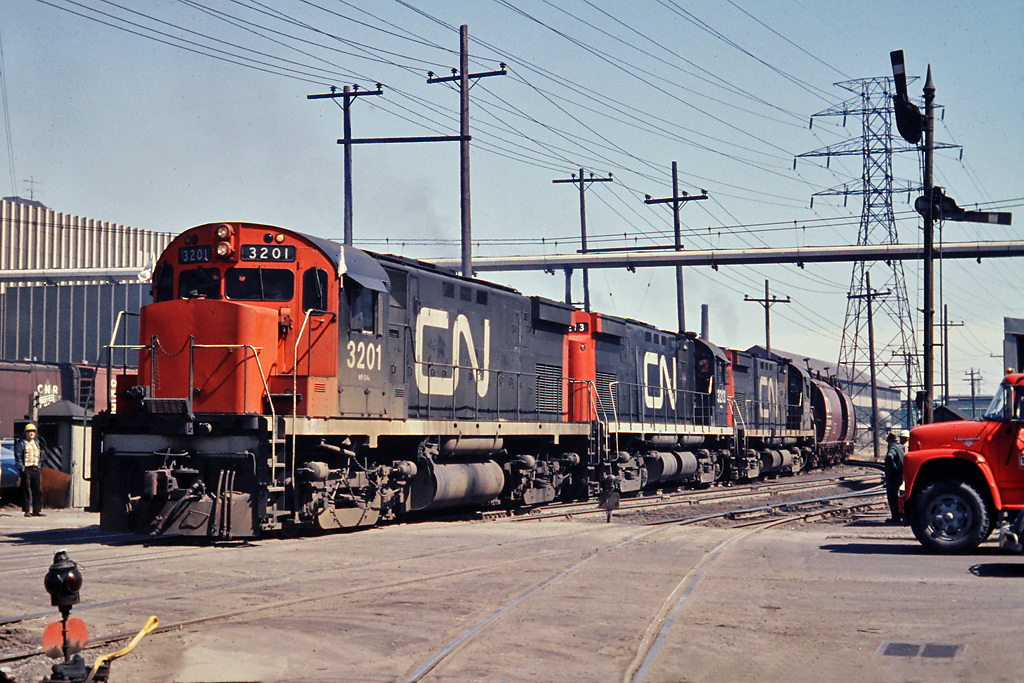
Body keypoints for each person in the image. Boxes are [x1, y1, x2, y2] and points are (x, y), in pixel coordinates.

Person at [14, 423, 44, 517]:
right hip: (26, 469)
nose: (31, 433)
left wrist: (39, 466)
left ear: (35, 433)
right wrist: (21, 467)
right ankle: (26, 510)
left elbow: (40, 455)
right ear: (25, 433)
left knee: (38, 490)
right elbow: (18, 456)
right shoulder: (21, 444)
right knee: (26, 490)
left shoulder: (37, 443)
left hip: (35, 468)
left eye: (32, 431)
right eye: (29, 431)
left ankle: (37, 510)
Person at [884, 430, 906, 524]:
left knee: (892, 497)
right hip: (900, 475)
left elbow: (889, 457)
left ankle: (895, 518)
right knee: (897, 496)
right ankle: (899, 515)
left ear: (890, 440)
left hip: (893, 476)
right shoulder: (900, 448)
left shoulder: (893, 447)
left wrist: (892, 468)